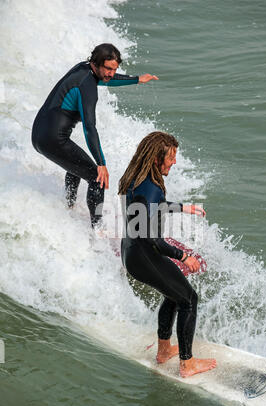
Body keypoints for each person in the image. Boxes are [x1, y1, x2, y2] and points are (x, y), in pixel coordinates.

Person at [118, 131, 217, 378]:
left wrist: (184, 208)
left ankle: (164, 351)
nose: (173, 162)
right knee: (188, 299)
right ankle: (187, 364)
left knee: (173, 294)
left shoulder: (136, 179)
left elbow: (152, 208)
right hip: (146, 255)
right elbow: (153, 239)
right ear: (155, 159)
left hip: (131, 252)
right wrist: (184, 256)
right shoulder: (151, 187)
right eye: (170, 158)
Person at [31, 43, 158, 228]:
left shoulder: (83, 69)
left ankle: (69, 207)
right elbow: (90, 127)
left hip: (40, 134)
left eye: (114, 69)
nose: (111, 73)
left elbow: (108, 79)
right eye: (108, 68)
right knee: (97, 179)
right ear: (96, 63)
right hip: (51, 139)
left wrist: (137, 79)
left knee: (75, 165)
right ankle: (96, 231)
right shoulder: (87, 86)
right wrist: (101, 163)